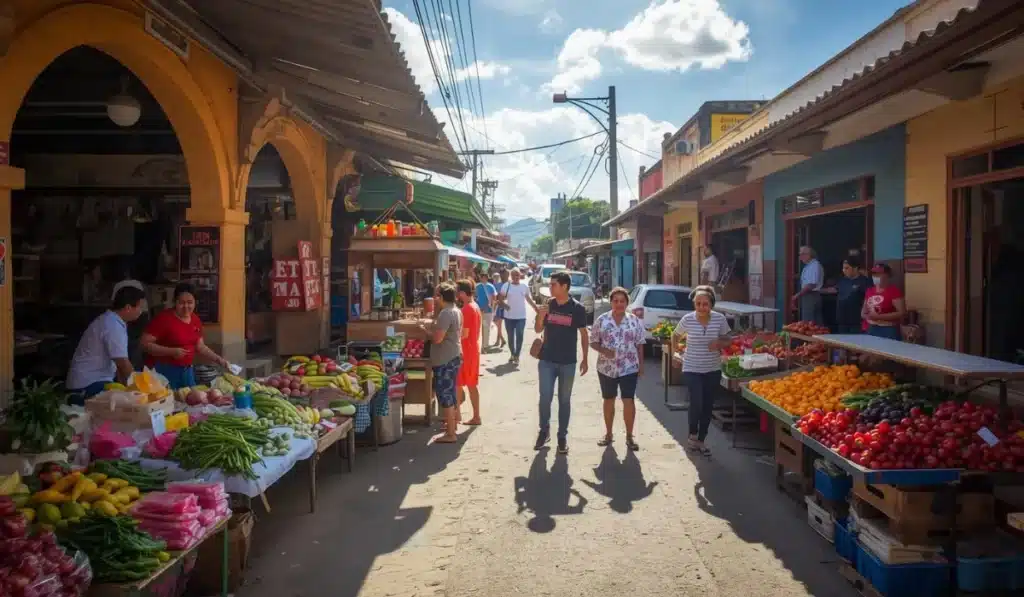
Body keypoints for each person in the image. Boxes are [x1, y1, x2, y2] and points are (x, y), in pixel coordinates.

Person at [534, 271, 589, 454]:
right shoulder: (548, 304)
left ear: (564, 286)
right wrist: (541, 316)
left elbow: (583, 334)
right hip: (547, 360)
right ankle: (544, 430)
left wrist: (585, 359)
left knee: (564, 401)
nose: (550, 287)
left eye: (553, 284)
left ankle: (562, 437)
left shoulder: (577, 308)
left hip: (568, 362)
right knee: (545, 398)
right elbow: (537, 329)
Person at [674, 286, 731, 456]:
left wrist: (719, 344)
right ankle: (692, 434)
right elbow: (675, 335)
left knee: (707, 406)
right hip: (691, 367)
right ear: (694, 304)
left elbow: (728, 339)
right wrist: (676, 352)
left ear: (711, 305)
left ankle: (701, 440)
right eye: (698, 304)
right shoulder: (688, 319)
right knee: (696, 401)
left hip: (712, 369)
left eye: (705, 304)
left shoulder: (719, 319)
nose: (701, 307)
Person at [66, 286, 147, 404]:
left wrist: (128, 387)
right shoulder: (112, 326)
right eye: (139, 307)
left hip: (94, 381)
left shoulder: (111, 320)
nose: (141, 311)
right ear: (128, 307)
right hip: (87, 385)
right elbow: (123, 363)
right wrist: (141, 389)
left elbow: (119, 366)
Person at [141, 283, 229, 389]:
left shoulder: (195, 320)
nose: (186, 306)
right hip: (164, 372)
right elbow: (144, 344)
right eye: (181, 303)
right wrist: (171, 351)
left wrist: (219, 360)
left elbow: (200, 346)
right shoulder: (164, 319)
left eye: (190, 302)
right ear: (175, 302)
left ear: (195, 303)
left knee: (192, 401)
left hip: (187, 372)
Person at [590, 286, 646, 450]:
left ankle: (629, 436)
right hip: (606, 368)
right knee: (609, 400)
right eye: (616, 301)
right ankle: (608, 434)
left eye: (622, 301)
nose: (619, 304)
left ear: (627, 303)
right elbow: (593, 341)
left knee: (628, 400)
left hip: (629, 367)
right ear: (611, 302)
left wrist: (641, 366)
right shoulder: (602, 320)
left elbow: (640, 344)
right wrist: (604, 350)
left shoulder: (634, 320)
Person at [420, 283, 463, 443]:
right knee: (449, 393)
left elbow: (438, 339)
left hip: (445, 358)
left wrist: (426, 332)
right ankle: (452, 426)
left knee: (445, 394)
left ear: (443, 297)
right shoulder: (456, 311)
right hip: (452, 356)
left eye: (437, 296)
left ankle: (451, 433)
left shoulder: (446, 313)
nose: (435, 299)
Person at [456, 280, 482, 426]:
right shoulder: (475, 306)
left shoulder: (467, 309)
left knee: (459, 383)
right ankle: (473, 416)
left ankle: (458, 415)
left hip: (466, 351)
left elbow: (464, 334)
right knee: (470, 385)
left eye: (458, 292)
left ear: (462, 293)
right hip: (472, 350)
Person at [499, 268, 538, 366]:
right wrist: (505, 305)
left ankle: (517, 355)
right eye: (514, 275)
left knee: (520, 335)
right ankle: (512, 353)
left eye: (517, 275)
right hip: (509, 317)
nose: (516, 277)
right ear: (511, 276)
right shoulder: (506, 286)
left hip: (521, 316)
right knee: (511, 337)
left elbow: (528, 299)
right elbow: (500, 298)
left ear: (520, 276)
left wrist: (535, 308)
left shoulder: (524, 286)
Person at [862, 264, 906, 340]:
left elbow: (901, 312)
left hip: (888, 329)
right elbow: (864, 310)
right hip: (872, 328)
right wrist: (866, 316)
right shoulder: (870, 291)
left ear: (887, 275)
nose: (875, 276)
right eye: (874, 274)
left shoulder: (894, 291)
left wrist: (879, 317)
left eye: (879, 274)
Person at [835, 257, 872, 333]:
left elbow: (869, 299)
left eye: (846, 268)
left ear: (855, 268)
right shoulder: (842, 280)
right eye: (843, 268)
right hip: (842, 321)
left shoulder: (865, 281)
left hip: (857, 322)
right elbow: (835, 289)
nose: (844, 270)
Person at [791, 246, 824, 324]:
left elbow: (811, 285)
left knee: (809, 323)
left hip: (811, 296)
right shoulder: (809, 266)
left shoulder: (814, 266)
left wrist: (796, 296)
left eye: (802, 254)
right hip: (808, 295)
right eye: (799, 255)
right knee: (812, 322)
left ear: (809, 255)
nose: (800, 257)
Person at [474, 272, 497, 351]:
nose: (483, 279)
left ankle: (485, 345)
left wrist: (492, 308)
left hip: (488, 311)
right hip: (478, 310)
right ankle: (480, 345)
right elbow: (474, 297)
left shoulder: (491, 286)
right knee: (479, 328)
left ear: (487, 278)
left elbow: (494, 298)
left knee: (486, 328)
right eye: (482, 277)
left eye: (485, 277)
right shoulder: (477, 286)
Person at [492, 271, 508, 349]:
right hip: (496, 306)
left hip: (500, 306)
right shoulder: (493, 285)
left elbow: (503, 295)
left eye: (497, 277)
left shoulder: (501, 285)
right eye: (495, 277)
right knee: (497, 323)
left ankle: (500, 340)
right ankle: (500, 340)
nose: (496, 278)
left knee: (498, 324)